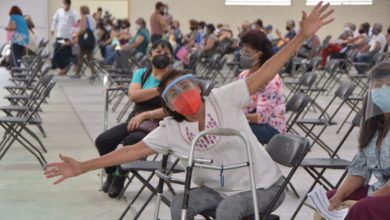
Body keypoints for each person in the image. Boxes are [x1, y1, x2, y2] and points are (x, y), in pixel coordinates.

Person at [45, 3, 334, 219]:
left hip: (264, 186)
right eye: (172, 95)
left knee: (228, 210)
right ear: (166, 106)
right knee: (178, 202)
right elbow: (128, 152)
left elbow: (265, 72)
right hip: (217, 188)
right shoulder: (171, 129)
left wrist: (301, 38)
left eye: (185, 88)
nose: (182, 96)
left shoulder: (223, 98)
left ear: (197, 87)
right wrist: (83, 166)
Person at [95, 40, 173, 198]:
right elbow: (134, 95)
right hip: (135, 119)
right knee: (103, 141)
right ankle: (112, 172)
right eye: (158, 52)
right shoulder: (142, 74)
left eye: (166, 53)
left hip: (160, 125)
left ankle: (120, 176)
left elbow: (171, 109)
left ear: (171, 58)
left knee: (132, 140)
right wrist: (160, 89)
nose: (162, 56)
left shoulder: (175, 78)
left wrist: (146, 114)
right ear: (150, 55)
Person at [325, 61, 390, 220]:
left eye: (389, 84)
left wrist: (366, 199)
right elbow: (360, 169)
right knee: (330, 199)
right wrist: (339, 197)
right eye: (377, 85)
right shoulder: (372, 123)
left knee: (361, 208)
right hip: (381, 190)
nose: (383, 90)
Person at [238, 30, 286, 145]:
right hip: (250, 121)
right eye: (243, 48)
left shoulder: (270, 79)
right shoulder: (243, 75)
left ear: (259, 54)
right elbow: (238, 102)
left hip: (271, 127)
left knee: (235, 134)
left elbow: (262, 117)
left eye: (247, 50)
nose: (243, 53)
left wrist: (238, 117)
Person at [51, 0, 77, 75]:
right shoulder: (59, 11)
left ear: (69, 5)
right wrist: (52, 29)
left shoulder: (73, 13)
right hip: (60, 36)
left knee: (66, 53)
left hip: (68, 36)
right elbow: (54, 20)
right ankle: (61, 67)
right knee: (58, 51)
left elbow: (75, 25)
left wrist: (74, 36)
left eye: (66, 4)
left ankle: (64, 68)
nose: (65, 6)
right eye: (64, 4)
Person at [74, 5, 96, 79]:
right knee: (90, 57)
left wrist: (77, 35)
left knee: (80, 56)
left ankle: (77, 73)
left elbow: (83, 29)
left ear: (82, 11)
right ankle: (94, 73)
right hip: (91, 40)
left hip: (85, 40)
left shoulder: (84, 17)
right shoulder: (92, 18)